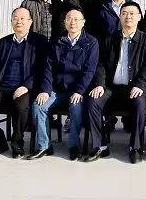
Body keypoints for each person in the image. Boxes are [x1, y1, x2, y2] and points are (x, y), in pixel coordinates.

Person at [84, 1, 146, 163]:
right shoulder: (110, 39)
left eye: (132, 13)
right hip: (112, 88)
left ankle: (135, 147)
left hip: (134, 87)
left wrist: (141, 85)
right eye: (124, 13)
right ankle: (100, 145)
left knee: (140, 102)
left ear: (139, 17)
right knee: (93, 101)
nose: (128, 16)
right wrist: (100, 84)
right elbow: (101, 64)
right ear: (119, 16)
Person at [0, 7, 48, 158]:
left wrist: (26, 86)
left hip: (23, 89)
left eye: (22, 19)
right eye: (15, 18)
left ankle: (17, 144)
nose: (19, 22)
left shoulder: (39, 42)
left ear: (30, 22)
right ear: (11, 21)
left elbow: (42, 69)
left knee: (21, 106)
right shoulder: (4, 42)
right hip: (1, 88)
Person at [27, 9, 99, 161]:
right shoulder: (56, 41)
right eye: (69, 19)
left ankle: (74, 145)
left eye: (76, 19)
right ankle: (44, 145)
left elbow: (90, 70)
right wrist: (45, 90)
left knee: (76, 107)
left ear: (83, 23)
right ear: (64, 22)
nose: (73, 22)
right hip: (57, 88)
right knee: (38, 106)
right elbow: (48, 68)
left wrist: (80, 91)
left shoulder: (91, 42)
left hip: (77, 90)